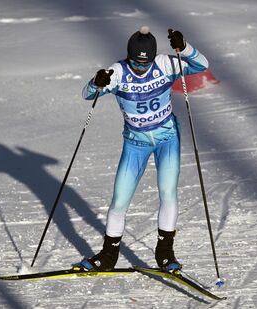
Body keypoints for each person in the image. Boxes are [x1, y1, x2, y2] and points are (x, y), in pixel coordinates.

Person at [78, 26, 209, 272]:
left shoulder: (165, 64)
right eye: (136, 64)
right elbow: (87, 94)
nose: (140, 68)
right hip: (135, 143)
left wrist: (186, 47)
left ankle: (165, 253)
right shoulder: (118, 72)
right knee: (119, 201)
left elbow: (202, 65)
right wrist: (96, 83)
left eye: (145, 64)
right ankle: (108, 256)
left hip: (167, 138)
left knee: (168, 193)